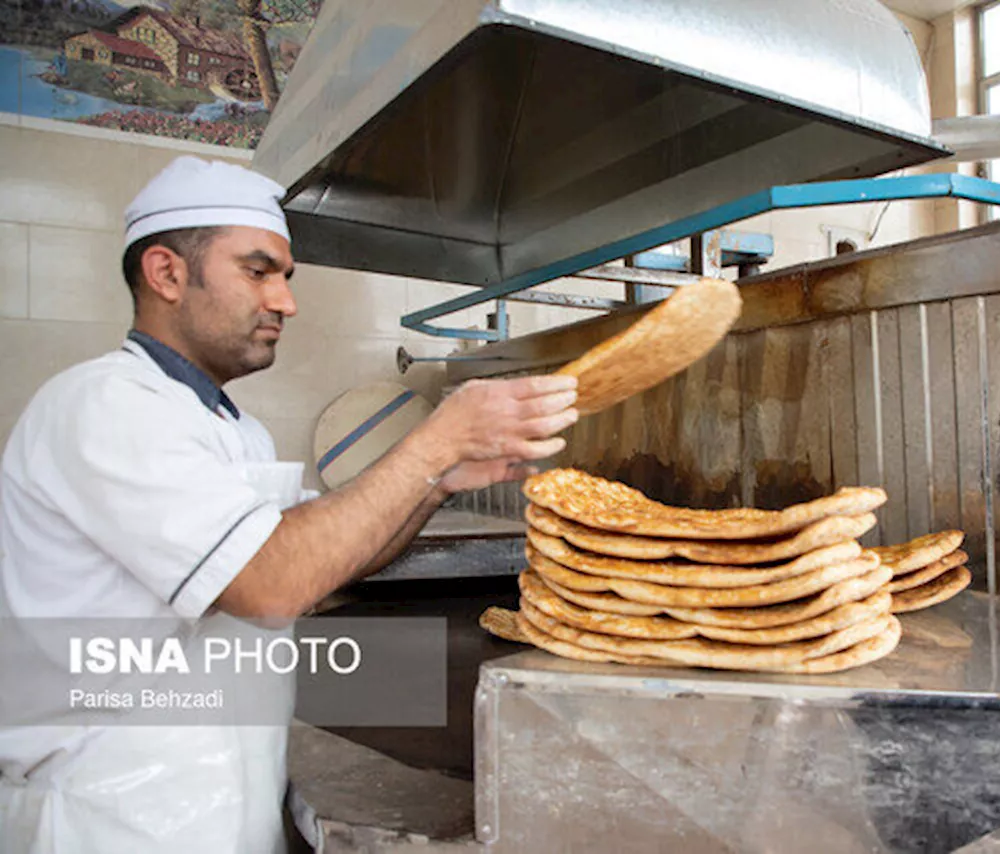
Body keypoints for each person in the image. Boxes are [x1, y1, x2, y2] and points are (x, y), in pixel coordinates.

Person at [0, 157, 579, 852]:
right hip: (114, 814)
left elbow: (327, 556)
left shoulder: (230, 428)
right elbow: (272, 583)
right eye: (257, 271)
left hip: (216, 797)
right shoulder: (106, 406)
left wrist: (444, 478)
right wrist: (430, 443)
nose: (285, 301)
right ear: (167, 274)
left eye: (285, 277)